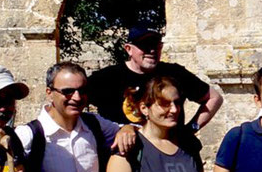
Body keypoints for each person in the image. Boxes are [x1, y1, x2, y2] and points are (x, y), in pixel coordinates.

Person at [85, 26, 221, 132]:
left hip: (170, 152)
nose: (151, 50)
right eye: (144, 45)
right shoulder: (106, 78)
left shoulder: (175, 73)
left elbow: (214, 98)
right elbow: (74, 102)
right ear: (128, 49)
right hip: (124, 156)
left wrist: (190, 129)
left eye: (155, 45)